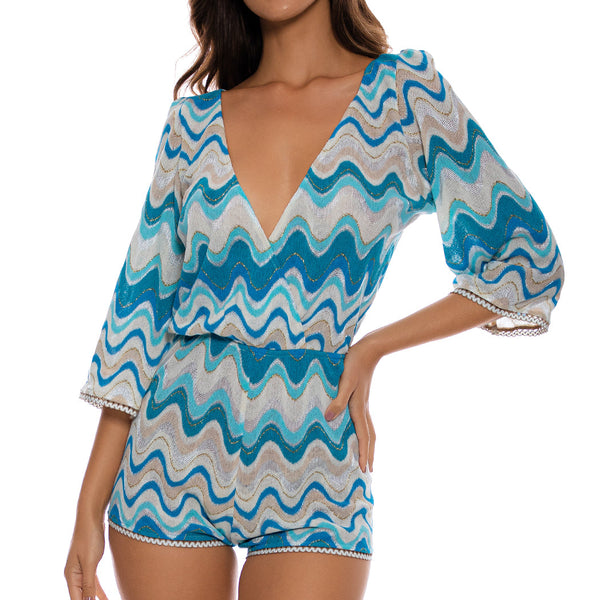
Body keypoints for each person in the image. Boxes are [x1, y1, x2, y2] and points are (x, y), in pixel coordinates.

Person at [64, 0, 565, 599]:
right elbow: (138, 312)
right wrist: (88, 505)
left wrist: (373, 347)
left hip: (318, 456)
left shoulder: (405, 98)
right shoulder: (190, 127)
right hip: (170, 452)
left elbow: (526, 258)